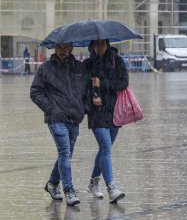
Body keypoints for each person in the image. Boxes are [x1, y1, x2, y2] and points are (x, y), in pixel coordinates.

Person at [30, 42, 88, 207]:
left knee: (66, 154)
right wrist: (50, 108)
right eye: (59, 48)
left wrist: (83, 108)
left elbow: (86, 90)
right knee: (64, 152)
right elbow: (35, 91)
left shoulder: (78, 67)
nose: (62, 51)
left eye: (65, 48)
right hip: (56, 119)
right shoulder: (46, 68)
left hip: (74, 118)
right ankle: (69, 190)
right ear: (55, 48)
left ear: (71, 49)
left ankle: (52, 183)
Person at [83, 39, 128, 203]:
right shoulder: (87, 64)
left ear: (108, 45)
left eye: (102, 44)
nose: (99, 47)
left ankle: (93, 183)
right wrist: (91, 97)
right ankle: (112, 187)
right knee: (106, 148)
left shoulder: (117, 61)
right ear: (92, 46)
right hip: (96, 113)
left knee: (104, 150)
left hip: (114, 111)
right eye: (96, 44)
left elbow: (124, 83)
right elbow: (82, 88)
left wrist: (102, 84)